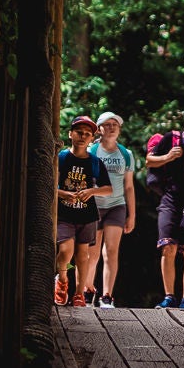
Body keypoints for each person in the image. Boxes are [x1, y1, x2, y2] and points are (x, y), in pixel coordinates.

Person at [145, 116, 184, 308]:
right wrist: (168, 157)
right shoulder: (172, 139)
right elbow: (149, 161)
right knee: (168, 246)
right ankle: (169, 296)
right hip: (171, 200)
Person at [55, 115, 112, 307]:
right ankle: (62, 280)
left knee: (83, 255)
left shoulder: (95, 162)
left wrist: (92, 191)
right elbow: (48, 186)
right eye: (79, 132)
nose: (83, 136)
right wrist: (64, 194)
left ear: (91, 139)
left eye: (87, 134)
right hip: (64, 214)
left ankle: (79, 294)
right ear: (70, 134)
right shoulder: (61, 158)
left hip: (87, 215)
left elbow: (108, 189)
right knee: (65, 250)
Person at [90, 111, 135, 308]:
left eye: (114, 124)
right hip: (94, 205)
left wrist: (131, 215)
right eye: (106, 124)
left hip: (117, 205)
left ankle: (107, 296)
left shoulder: (126, 154)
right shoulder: (92, 151)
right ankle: (85, 289)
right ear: (99, 129)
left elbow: (129, 187)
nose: (111, 127)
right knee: (91, 252)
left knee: (111, 251)